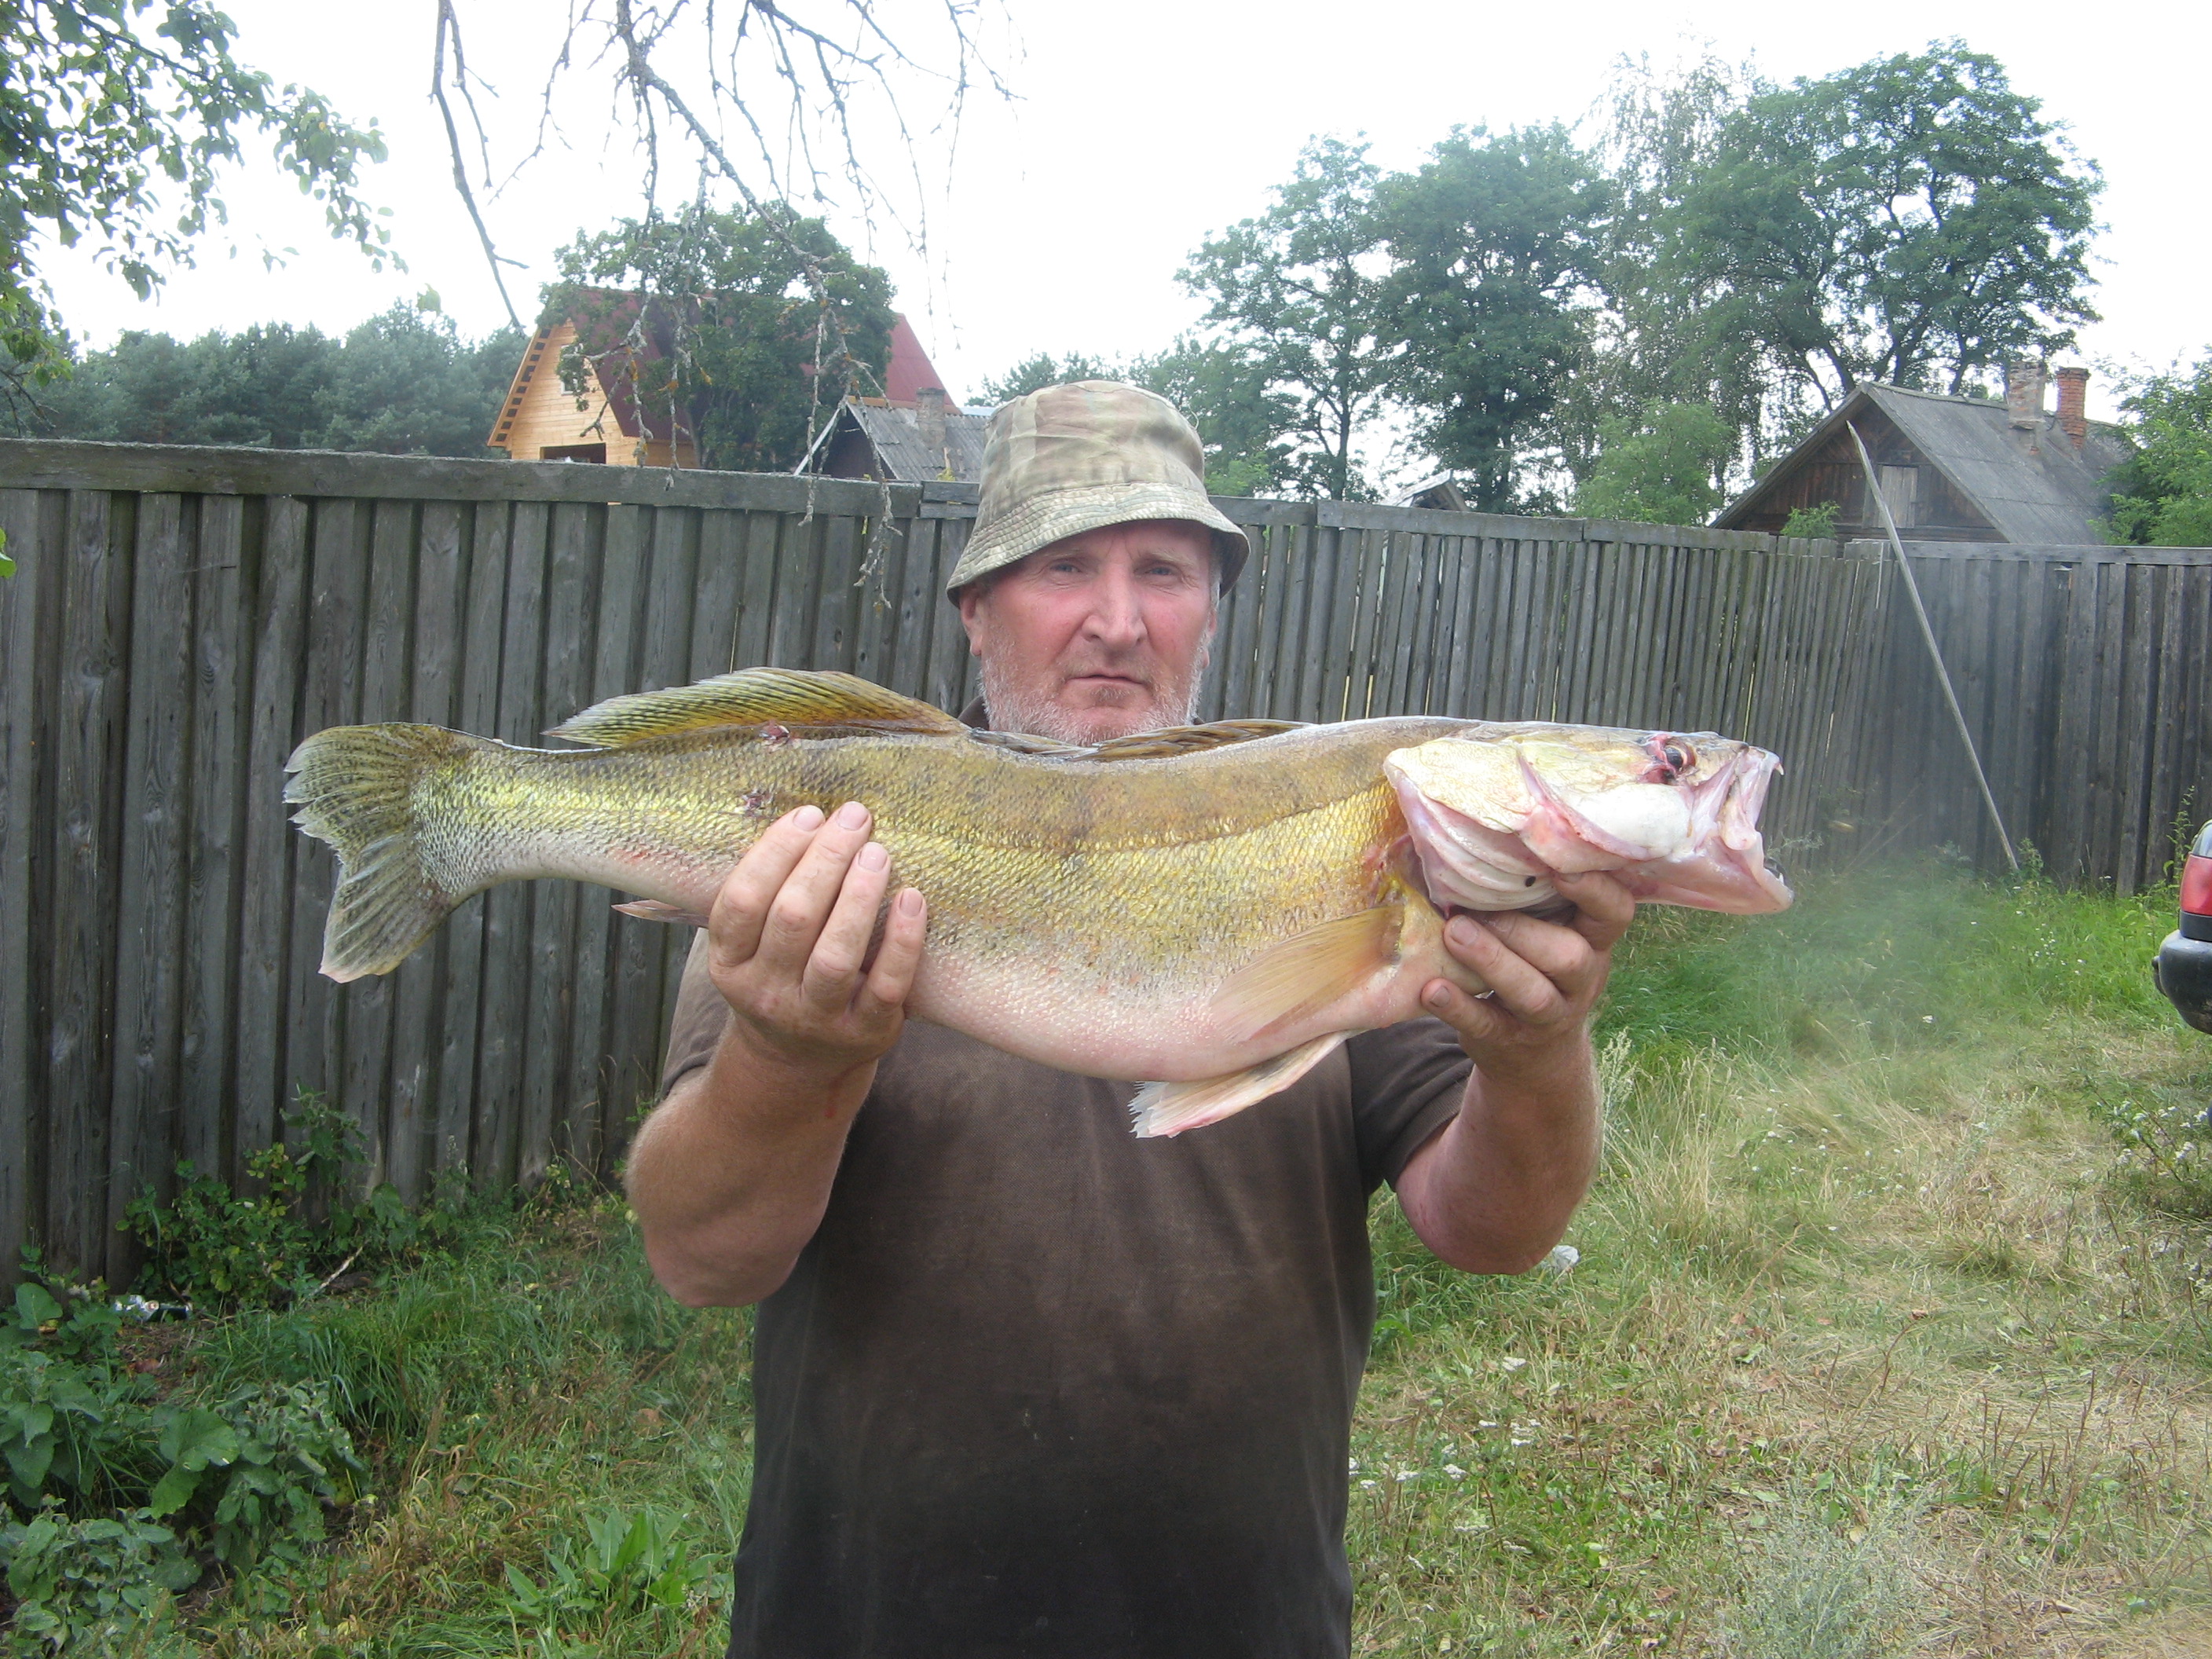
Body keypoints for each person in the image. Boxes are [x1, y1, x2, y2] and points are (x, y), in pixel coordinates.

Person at [625, 381, 1633, 1658]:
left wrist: (1537, 1053)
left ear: (1210, 607)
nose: (1117, 619)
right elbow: (703, 1262)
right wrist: (784, 1056)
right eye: (1065, 566)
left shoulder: (1358, 847)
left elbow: (1495, 1233)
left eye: (1163, 569)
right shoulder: (831, 857)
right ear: (976, 610)